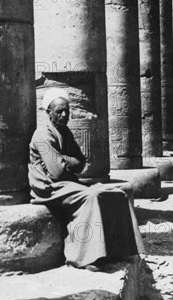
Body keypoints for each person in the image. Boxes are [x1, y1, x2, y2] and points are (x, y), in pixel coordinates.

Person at [28, 87, 144, 269]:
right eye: (60, 111)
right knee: (90, 197)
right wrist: (67, 162)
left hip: (66, 182)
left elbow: (81, 164)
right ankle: (83, 258)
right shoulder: (42, 135)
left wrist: (65, 160)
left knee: (118, 194)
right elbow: (57, 172)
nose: (65, 114)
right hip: (49, 188)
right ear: (48, 113)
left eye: (67, 110)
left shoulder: (65, 132)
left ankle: (117, 250)